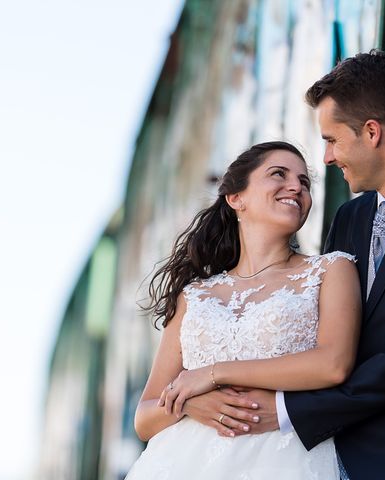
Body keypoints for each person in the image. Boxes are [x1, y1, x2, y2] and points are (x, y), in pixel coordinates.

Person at [184, 50, 385, 479]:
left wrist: (290, 410)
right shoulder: (351, 219)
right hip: (302, 458)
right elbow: (305, 337)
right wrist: (204, 396)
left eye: (331, 139)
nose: (326, 158)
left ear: (371, 132)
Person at [125, 141, 361, 479]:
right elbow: (145, 418)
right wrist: (191, 405)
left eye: (304, 182)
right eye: (278, 174)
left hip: (281, 460)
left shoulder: (331, 270)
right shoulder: (195, 295)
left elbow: (333, 365)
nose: (296, 186)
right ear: (236, 198)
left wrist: (213, 374)